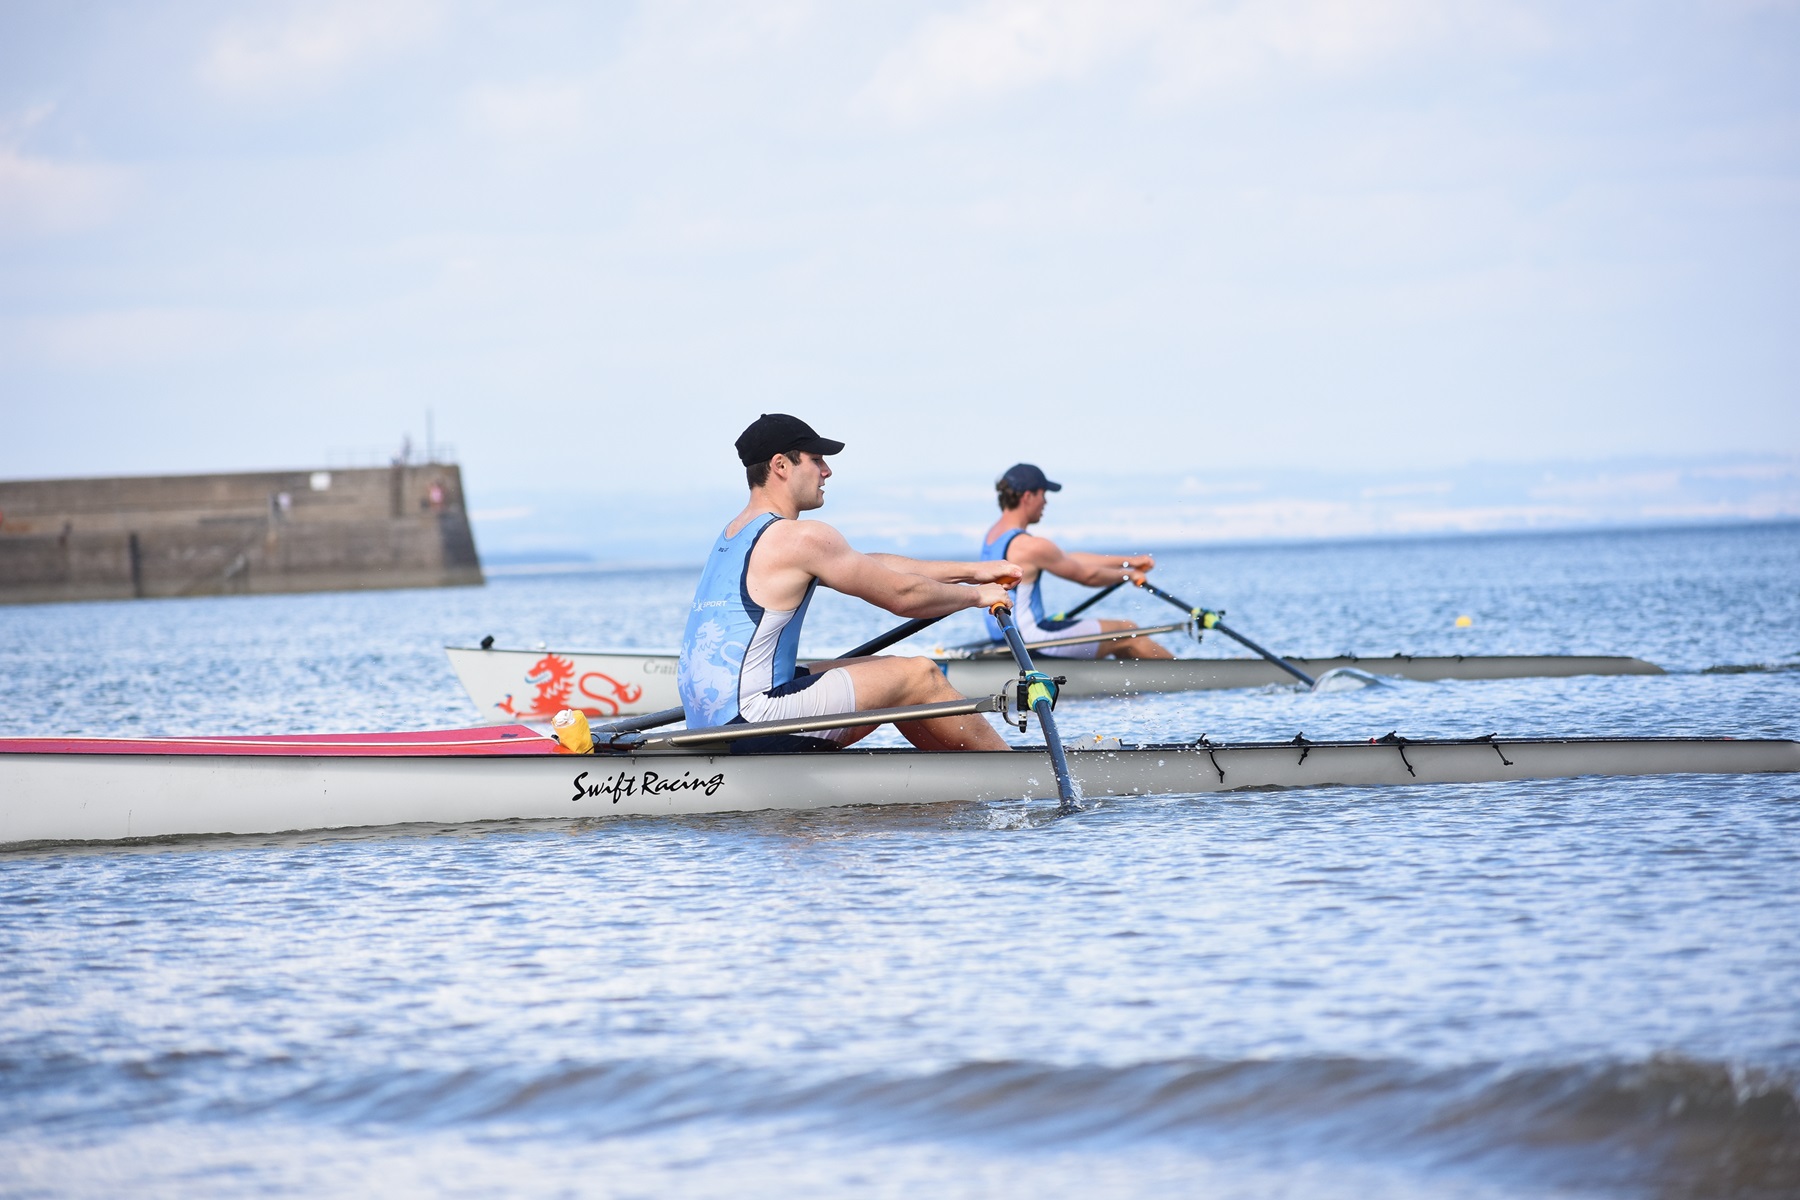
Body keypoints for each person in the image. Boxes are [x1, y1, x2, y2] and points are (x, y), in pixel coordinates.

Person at [678, 414, 1023, 751]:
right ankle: (1012, 775)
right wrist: (977, 596)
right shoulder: (799, 538)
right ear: (781, 465)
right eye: (816, 460)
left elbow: (876, 568)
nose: (827, 471)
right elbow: (902, 596)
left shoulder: (735, 534)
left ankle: (955, 781)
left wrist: (973, 572)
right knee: (920, 675)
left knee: (886, 671)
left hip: (710, 720)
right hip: (753, 719)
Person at [979, 464, 1174, 659]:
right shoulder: (1030, 545)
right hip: (1032, 638)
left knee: (1117, 637)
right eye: (1043, 494)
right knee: (1128, 631)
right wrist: (1128, 575)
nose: (1045, 502)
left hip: (1005, 637)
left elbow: (1068, 560)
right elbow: (1088, 576)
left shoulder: (993, 536)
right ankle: (1185, 675)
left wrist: (1129, 562)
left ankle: (1133, 687)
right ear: (1028, 496)